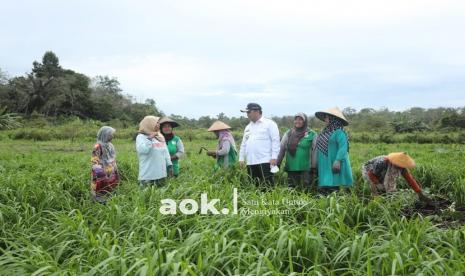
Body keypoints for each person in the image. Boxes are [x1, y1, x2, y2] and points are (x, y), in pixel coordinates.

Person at [239, 103, 280, 187]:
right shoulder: (248, 127)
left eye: (248, 112)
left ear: (256, 111)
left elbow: (275, 141)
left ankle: (269, 200)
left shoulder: (269, 124)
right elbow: (244, 144)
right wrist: (241, 158)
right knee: (254, 186)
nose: (247, 115)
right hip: (251, 162)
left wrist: (274, 157)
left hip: (265, 161)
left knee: (267, 186)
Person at [362, 152, 430, 201]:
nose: (400, 167)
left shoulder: (402, 167)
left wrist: (419, 192)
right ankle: (376, 203)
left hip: (381, 171)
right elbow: (370, 173)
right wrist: (377, 183)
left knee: (386, 186)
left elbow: (410, 179)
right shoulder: (382, 162)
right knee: (376, 189)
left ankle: (388, 196)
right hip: (368, 169)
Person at [314, 107, 353, 193]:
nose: (325, 119)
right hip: (324, 162)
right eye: (325, 117)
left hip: (333, 161)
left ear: (333, 119)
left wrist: (338, 160)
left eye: (327, 117)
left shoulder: (339, 132)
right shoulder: (324, 131)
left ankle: (333, 201)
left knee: (333, 184)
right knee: (324, 183)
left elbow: (343, 147)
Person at [277, 113, 317, 188]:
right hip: (291, 167)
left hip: (306, 168)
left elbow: (315, 151)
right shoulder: (288, 133)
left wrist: (314, 167)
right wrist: (278, 163)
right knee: (292, 189)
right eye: (296, 119)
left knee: (306, 189)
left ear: (305, 121)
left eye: (300, 119)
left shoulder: (312, 134)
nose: (297, 121)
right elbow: (281, 148)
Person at [136, 116, 173, 186]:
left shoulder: (160, 136)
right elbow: (143, 150)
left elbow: (165, 152)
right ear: (149, 123)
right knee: (147, 195)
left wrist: (169, 165)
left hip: (161, 174)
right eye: (157, 122)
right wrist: (150, 138)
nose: (159, 124)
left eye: (159, 123)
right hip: (148, 175)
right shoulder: (141, 137)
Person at [91, 126, 120, 204]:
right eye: (110, 134)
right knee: (100, 186)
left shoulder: (110, 145)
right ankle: (98, 202)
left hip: (111, 170)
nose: (112, 136)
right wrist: (100, 173)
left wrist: (115, 169)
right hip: (100, 171)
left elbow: (113, 158)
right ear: (105, 135)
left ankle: (109, 200)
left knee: (110, 186)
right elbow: (95, 160)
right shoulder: (98, 146)